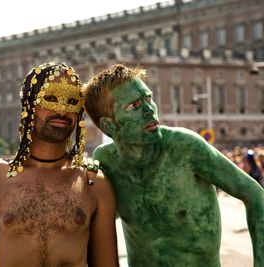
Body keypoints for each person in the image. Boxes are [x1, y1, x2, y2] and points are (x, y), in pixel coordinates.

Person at [83, 64, 264, 267]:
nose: (149, 110)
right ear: (109, 125)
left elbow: (254, 194)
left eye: (148, 98)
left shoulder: (185, 147)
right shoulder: (106, 162)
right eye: (133, 106)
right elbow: (96, 223)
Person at [0, 62, 118, 267]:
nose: (62, 110)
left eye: (72, 101)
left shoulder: (94, 183)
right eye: (51, 99)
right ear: (30, 106)